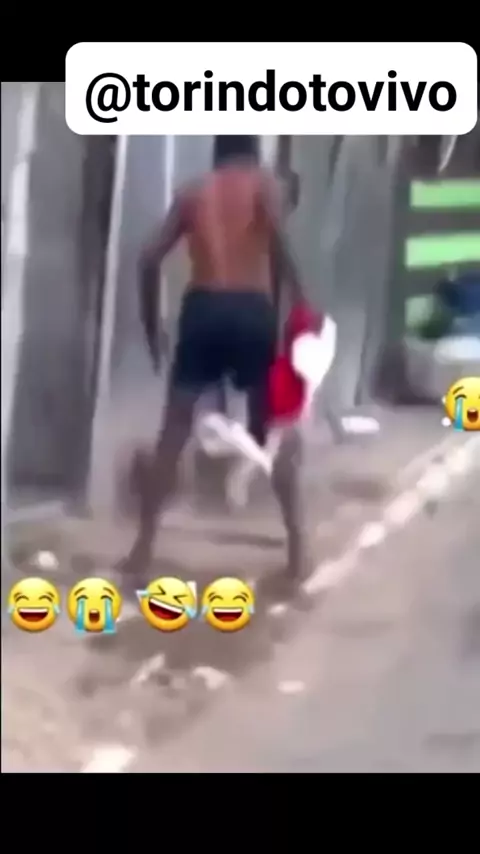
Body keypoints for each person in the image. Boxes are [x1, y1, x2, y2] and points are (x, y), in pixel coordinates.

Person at [122, 135, 308, 582]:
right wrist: (301, 308)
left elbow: (147, 258)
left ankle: (142, 550)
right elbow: (281, 245)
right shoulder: (263, 186)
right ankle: (299, 549)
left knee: (173, 433)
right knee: (275, 429)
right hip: (252, 312)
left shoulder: (193, 191)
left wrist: (151, 327)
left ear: (216, 153)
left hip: (203, 311)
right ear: (253, 154)